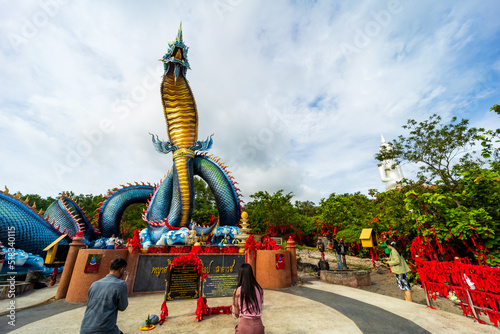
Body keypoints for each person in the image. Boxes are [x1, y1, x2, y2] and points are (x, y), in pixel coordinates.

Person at [80, 258, 129, 334]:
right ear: (121, 270)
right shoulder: (121, 284)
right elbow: (122, 307)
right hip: (105, 330)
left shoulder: (94, 284)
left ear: (110, 268)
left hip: (84, 329)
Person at [232, 263, 264, 334]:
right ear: (251, 274)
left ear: (240, 275)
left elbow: (236, 314)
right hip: (259, 326)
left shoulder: (237, 291)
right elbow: (260, 306)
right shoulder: (259, 289)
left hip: (244, 327)